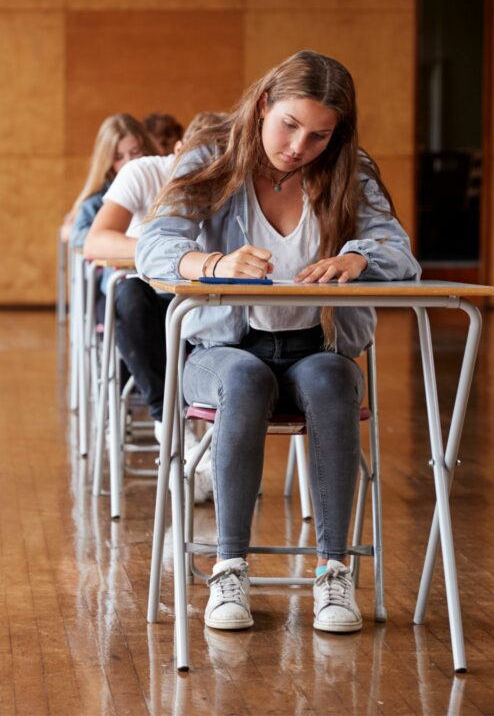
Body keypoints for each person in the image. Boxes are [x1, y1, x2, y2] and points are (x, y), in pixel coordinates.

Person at [136, 51, 420, 634]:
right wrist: (215, 262)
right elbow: (153, 246)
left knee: (335, 379)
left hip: (314, 347)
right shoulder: (211, 157)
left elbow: (401, 253)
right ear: (264, 104)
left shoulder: (349, 169)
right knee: (244, 379)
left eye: (319, 136)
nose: (298, 147)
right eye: (290, 124)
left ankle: (335, 573)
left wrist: (356, 256)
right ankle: (228, 567)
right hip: (221, 354)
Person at [84, 112, 227, 503]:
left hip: (205, 299)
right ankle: (169, 420)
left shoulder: (232, 182)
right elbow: (95, 243)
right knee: (128, 296)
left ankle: (216, 444)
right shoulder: (144, 172)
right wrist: (173, 254)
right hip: (149, 291)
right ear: (178, 150)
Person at [61, 114, 158, 247]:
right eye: (119, 157)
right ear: (108, 161)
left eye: (135, 152)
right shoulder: (98, 199)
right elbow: (78, 236)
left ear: (146, 149)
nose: (129, 162)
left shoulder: (160, 179)